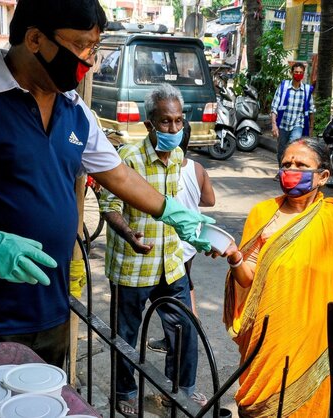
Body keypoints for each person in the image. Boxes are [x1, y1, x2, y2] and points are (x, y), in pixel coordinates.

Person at [0, 0, 214, 370]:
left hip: (51, 309)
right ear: (34, 39)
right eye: (81, 46)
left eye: (93, 48)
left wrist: (175, 214)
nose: (89, 60)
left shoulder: (74, 108)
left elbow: (120, 176)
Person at [219, 138, 333, 417]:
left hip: (314, 340)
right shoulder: (263, 214)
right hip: (269, 338)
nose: (291, 170)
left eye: (302, 165)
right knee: (261, 405)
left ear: (323, 176)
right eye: (286, 164)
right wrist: (234, 257)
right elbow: (247, 278)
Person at [99, 84, 208, 417]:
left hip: (170, 263)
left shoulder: (177, 157)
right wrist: (129, 233)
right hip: (134, 263)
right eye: (165, 122)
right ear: (149, 125)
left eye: (178, 121)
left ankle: (180, 390)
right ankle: (126, 391)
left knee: (184, 329)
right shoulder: (128, 158)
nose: (174, 129)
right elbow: (108, 204)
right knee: (126, 335)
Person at [148, 123, 216, 353]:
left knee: (175, 295)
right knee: (186, 284)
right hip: (192, 241)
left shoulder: (164, 170)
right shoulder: (197, 169)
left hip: (172, 241)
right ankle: (187, 331)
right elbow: (210, 201)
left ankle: (184, 336)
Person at [270, 63, 316, 168]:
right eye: (296, 72)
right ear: (291, 73)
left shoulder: (307, 90)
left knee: (292, 147)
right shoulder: (283, 87)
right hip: (283, 124)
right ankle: (281, 170)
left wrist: (311, 127)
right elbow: (274, 107)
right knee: (282, 150)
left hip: (298, 125)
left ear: (303, 74)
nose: (298, 74)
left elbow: (311, 110)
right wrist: (274, 125)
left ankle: (289, 171)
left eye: (301, 72)